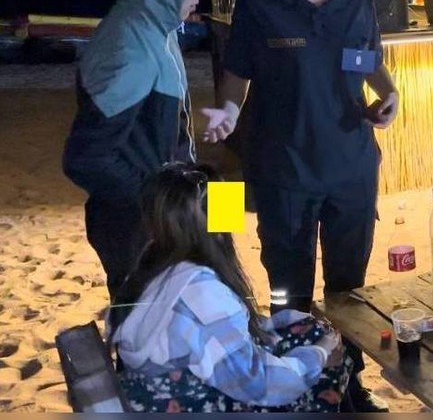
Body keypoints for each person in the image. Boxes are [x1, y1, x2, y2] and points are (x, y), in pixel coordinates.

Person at [199, 0, 396, 412]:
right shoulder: (259, 2)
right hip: (284, 170)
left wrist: (388, 94)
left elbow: (368, 61)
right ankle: (296, 384)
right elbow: (237, 74)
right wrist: (228, 113)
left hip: (352, 168)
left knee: (349, 290)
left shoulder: (357, 1)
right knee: (290, 288)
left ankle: (349, 385)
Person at [108, 163, 353, 412]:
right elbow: (259, 384)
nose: (232, 230)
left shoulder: (150, 266)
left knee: (309, 331)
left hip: (162, 391)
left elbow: (221, 330)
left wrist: (290, 325)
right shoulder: (201, 293)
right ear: (212, 229)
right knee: (324, 363)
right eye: (227, 215)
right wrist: (320, 354)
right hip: (192, 403)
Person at [63, 0, 210, 300]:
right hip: (140, 229)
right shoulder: (128, 44)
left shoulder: (157, 29)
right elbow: (86, 159)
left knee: (193, 304)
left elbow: (168, 138)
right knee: (146, 323)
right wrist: (159, 202)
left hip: (169, 216)